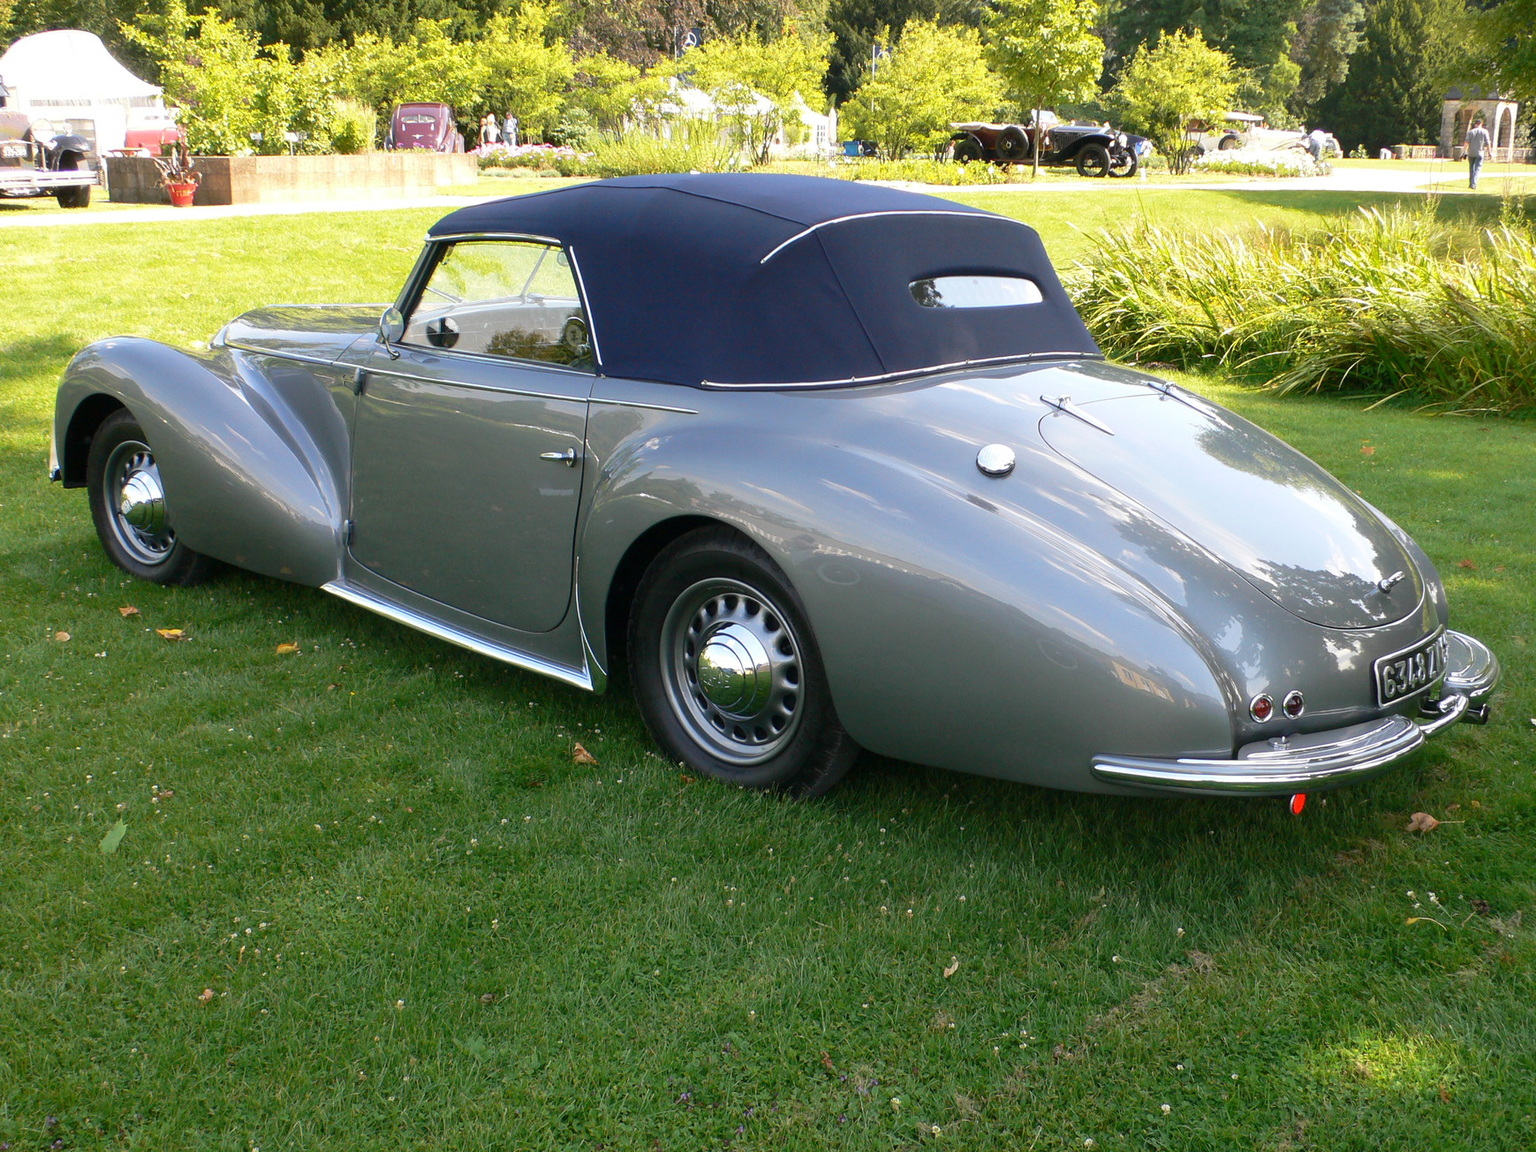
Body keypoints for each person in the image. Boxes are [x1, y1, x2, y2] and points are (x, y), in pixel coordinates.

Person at [1465, 115, 1491, 189]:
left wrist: (1464, 152)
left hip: (1471, 153)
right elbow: (1488, 143)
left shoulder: (1471, 132)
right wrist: (1490, 152)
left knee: (1471, 168)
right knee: (1477, 168)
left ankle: (1471, 183)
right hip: (1480, 153)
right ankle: (1474, 184)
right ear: (1481, 124)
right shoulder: (1485, 132)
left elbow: (1466, 143)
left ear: (1475, 124)